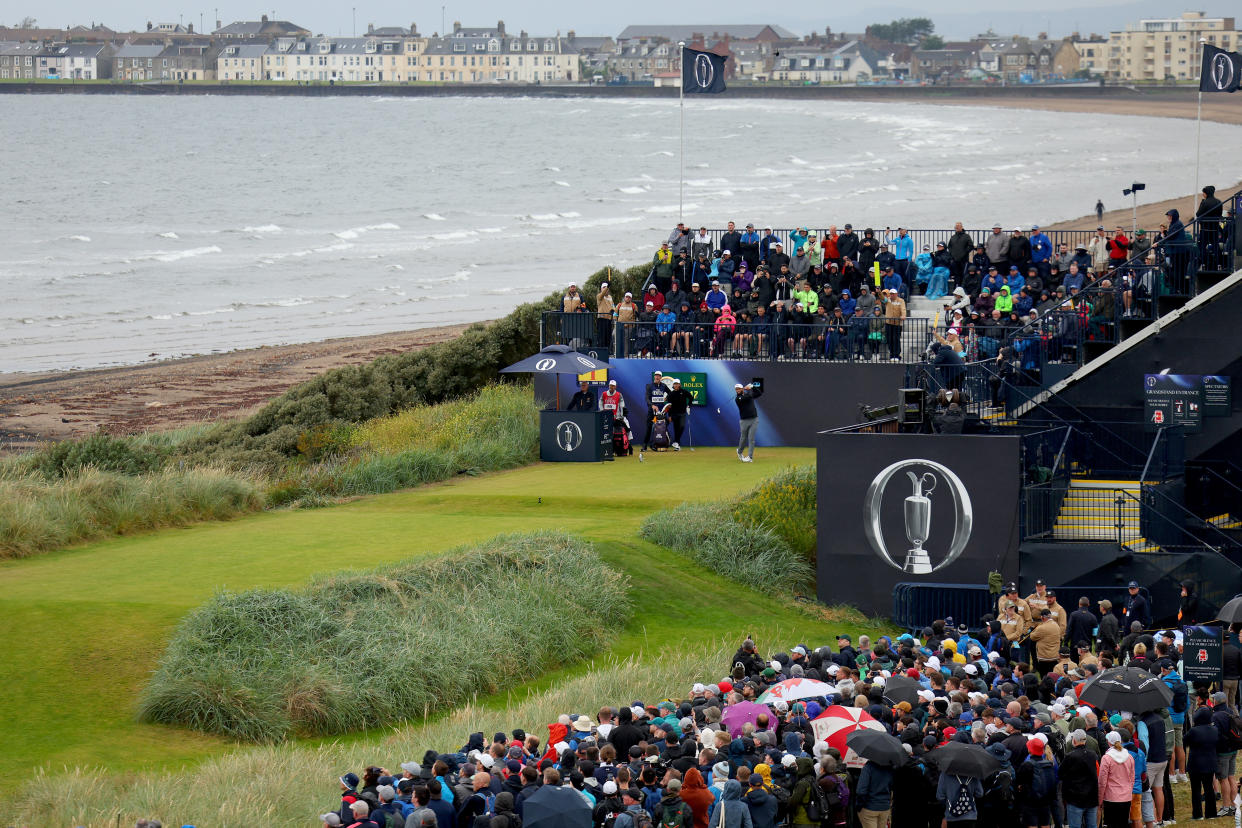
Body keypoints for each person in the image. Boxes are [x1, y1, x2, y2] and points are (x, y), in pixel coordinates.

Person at [1060, 730, 1099, 828]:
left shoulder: (1070, 757)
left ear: (1074, 740)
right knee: (1092, 825)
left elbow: (1060, 773)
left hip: (1075, 798)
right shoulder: (1093, 755)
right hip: (1091, 797)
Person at [1185, 706, 1219, 820]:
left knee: (1196, 789)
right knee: (1209, 788)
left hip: (1195, 764)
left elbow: (1184, 741)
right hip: (1210, 763)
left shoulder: (1194, 731)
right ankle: (1211, 814)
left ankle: (1197, 814)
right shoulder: (1214, 730)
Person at [1016, 738, 1057, 828]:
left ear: (1030, 749)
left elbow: (1019, 782)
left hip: (1031, 802)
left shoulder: (1027, 765)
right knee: (1045, 824)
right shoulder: (1048, 764)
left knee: (1032, 825)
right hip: (1045, 802)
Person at [1098, 731, 1135, 828]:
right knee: (1123, 824)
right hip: (1126, 797)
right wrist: (1128, 792)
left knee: (1111, 824)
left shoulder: (1106, 758)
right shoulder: (1129, 757)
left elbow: (1102, 781)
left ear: (1109, 742)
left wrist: (1100, 799)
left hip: (1111, 797)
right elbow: (1132, 779)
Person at [855, 749, 893, 828]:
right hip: (884, 807)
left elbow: (861, 791)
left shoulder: (868, 767)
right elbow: (891, 787)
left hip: (869, 807)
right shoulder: (890, 768)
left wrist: (859, 805)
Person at [733, 382, 762, 463]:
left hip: (754, 419)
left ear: (741, 389)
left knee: (751, 438)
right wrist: (748, 389)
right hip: (744, 421)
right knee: (743, 438)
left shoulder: (748, 395)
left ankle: (750, 457)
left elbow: (759, 393)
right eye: (736, 389)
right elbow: (747, 397)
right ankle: (739, 451)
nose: (737, 390)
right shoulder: (738, 399)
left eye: (739, 388)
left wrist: (752, 387)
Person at [641, 372, 669, 452]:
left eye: (659, 376)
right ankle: (645, 445)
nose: (657, 377)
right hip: (651, 411)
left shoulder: (663, 386)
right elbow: (647, 398)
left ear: (661, 377)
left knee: (659, 428)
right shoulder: (649, 386)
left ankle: (655, 444)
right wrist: (652, 405)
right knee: (649, 428)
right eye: (656, 376)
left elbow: (670, 393)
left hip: (660, 412)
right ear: (654, 377)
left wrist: (666, 398)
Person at [665, 378, 693, 451]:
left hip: (682, 413)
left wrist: (688, 405)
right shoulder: (671, 394)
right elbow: (669, 406)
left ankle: (676, 442)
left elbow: (691, 397)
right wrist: (670, 416)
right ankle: (677, 446)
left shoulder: (683, 392)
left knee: (682, 426)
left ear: (680, 385)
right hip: (674, 414)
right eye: (675, 384)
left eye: (677, 384)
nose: (676, 385)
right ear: (673, 385)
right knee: (676, 429)